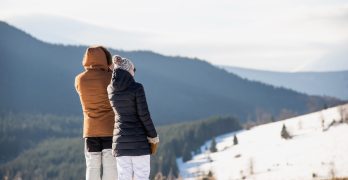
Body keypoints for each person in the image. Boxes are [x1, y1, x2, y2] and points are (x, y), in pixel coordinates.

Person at [107, 55, 159, 180]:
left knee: (124, 177)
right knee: (141, 176)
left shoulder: (110, 89)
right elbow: (144, 115)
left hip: (120, 144)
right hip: (139, 143)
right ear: (127, 70)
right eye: (133, 69)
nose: (134, 73)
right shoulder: (137, 88)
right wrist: (153, 137)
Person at [75, 46, 117, 180]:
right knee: (110, 166)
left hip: (90, 130)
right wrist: (111, 69)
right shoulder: (111, 77)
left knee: (92, 166)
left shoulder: (79, 80)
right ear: (105, 59)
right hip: (110, 130)